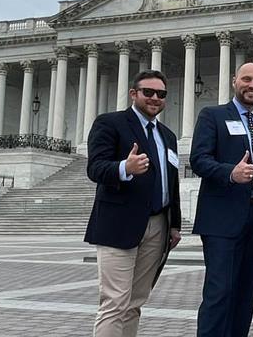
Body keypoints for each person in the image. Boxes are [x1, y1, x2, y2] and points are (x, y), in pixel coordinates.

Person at [84, 69, 183, 337]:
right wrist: (123, 167)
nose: (154, 98)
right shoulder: (110, 123)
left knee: (136, 303)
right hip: (119, 225)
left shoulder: (168, 136)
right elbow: (95, 168)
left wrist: (174, 224)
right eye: (148, 92)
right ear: (133, 94)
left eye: (160, 94)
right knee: (115, 303)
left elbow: (171, 183)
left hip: (158, 225)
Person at [190, 62, 253, 337]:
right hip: (223, 220)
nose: (252, 86)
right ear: (234, 81)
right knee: (220, 292)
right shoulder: (213, 116)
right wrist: (230, 172)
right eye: (247, 79)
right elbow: (198, 159)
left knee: (245, 294)